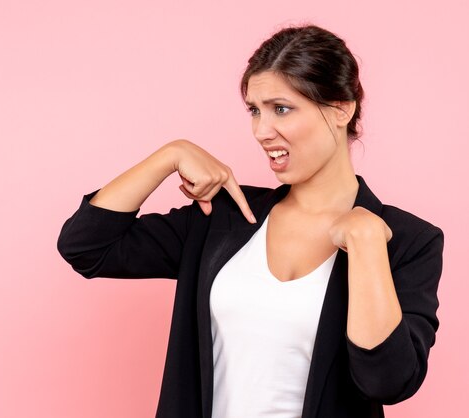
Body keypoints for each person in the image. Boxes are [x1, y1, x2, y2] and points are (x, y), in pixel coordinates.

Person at [57, 24, 444, 418]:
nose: (261, 131)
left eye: (281, 108)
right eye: (254, 111)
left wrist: (367, 245)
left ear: (341, 108)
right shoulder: (222, 217)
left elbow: (387, 383)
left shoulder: (407, 241)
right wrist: (170, 155)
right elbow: (87, 247)